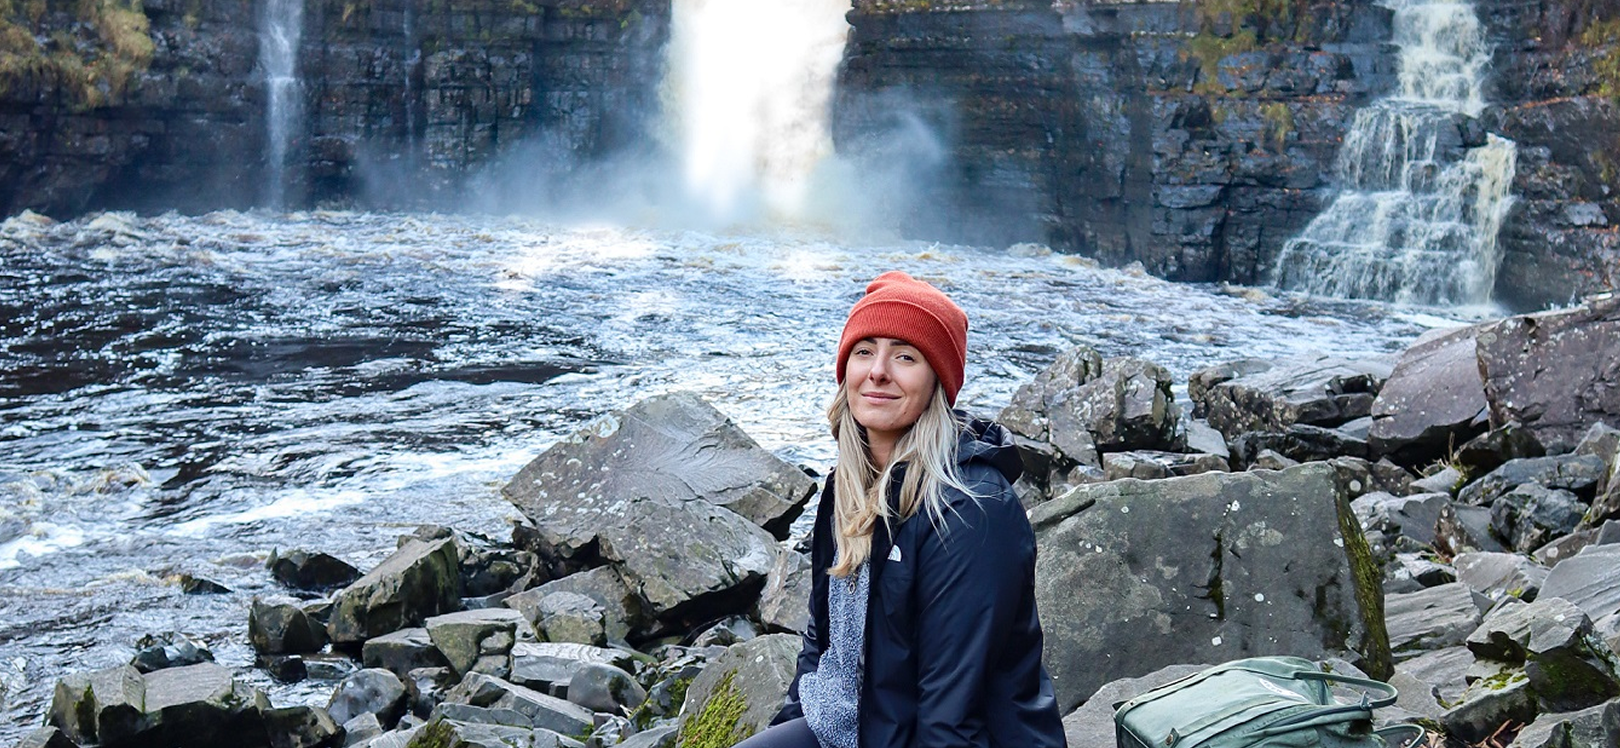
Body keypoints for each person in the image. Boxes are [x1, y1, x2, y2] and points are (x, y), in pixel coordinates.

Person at [741, 271, 1066, 748]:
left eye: (906, 356)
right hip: (857, 725)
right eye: (864, 351)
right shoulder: (847, 485)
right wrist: (789, 724)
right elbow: (822, 646)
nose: (877, 371)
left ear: (937, 382)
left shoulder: (971, 508)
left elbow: (952, 715)